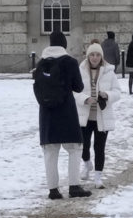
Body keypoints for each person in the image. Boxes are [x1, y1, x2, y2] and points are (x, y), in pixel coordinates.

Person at [32, 30, 87, 200]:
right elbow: (78, 87)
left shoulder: (41, 63)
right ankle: (74, 186)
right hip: (66, 111)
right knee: (74, 148)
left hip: (47, 113)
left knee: (50, 152)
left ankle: (53, 190)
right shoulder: (69, 62)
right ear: (64, 44)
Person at [78, 38, 120, 191]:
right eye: (92, 55)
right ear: (88, 56)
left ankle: (98, 177)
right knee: (83, 146)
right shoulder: (80, 70)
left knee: (99, 147)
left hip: (102, 117)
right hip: (85, 116)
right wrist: (85, 99)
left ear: (101, 56)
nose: (94, 58)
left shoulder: (109, 71)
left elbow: (118, 92)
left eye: (97, 55)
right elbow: (74, 92)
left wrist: (107, 94)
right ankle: (87, 164)